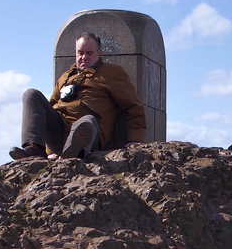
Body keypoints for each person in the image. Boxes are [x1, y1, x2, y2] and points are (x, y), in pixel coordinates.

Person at [9, 33, 146, 160]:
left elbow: (133, 107)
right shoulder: (66, 76)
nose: (84, 57)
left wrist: (135, 139)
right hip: (59, 132)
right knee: (31, 95)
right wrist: (50, 151)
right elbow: (47, 110)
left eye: (89, 53)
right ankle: (34, 149)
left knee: (86, 121)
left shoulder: (112, 73)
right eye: (80, 53)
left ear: (99, 53)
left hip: (89, 132)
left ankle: (74, 149)